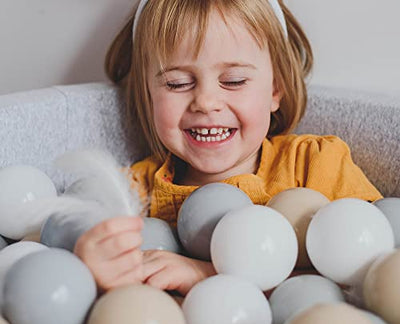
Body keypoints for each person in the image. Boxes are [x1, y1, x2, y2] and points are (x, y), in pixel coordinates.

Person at [74, 0, 382, 294]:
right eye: (177, 83)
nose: (206, 102)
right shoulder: (130, 193)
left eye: (233, 81)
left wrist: (207, 274)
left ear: (276, 88)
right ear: (149, 92)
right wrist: (94, 267)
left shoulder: (315, 166)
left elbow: (371, 268)